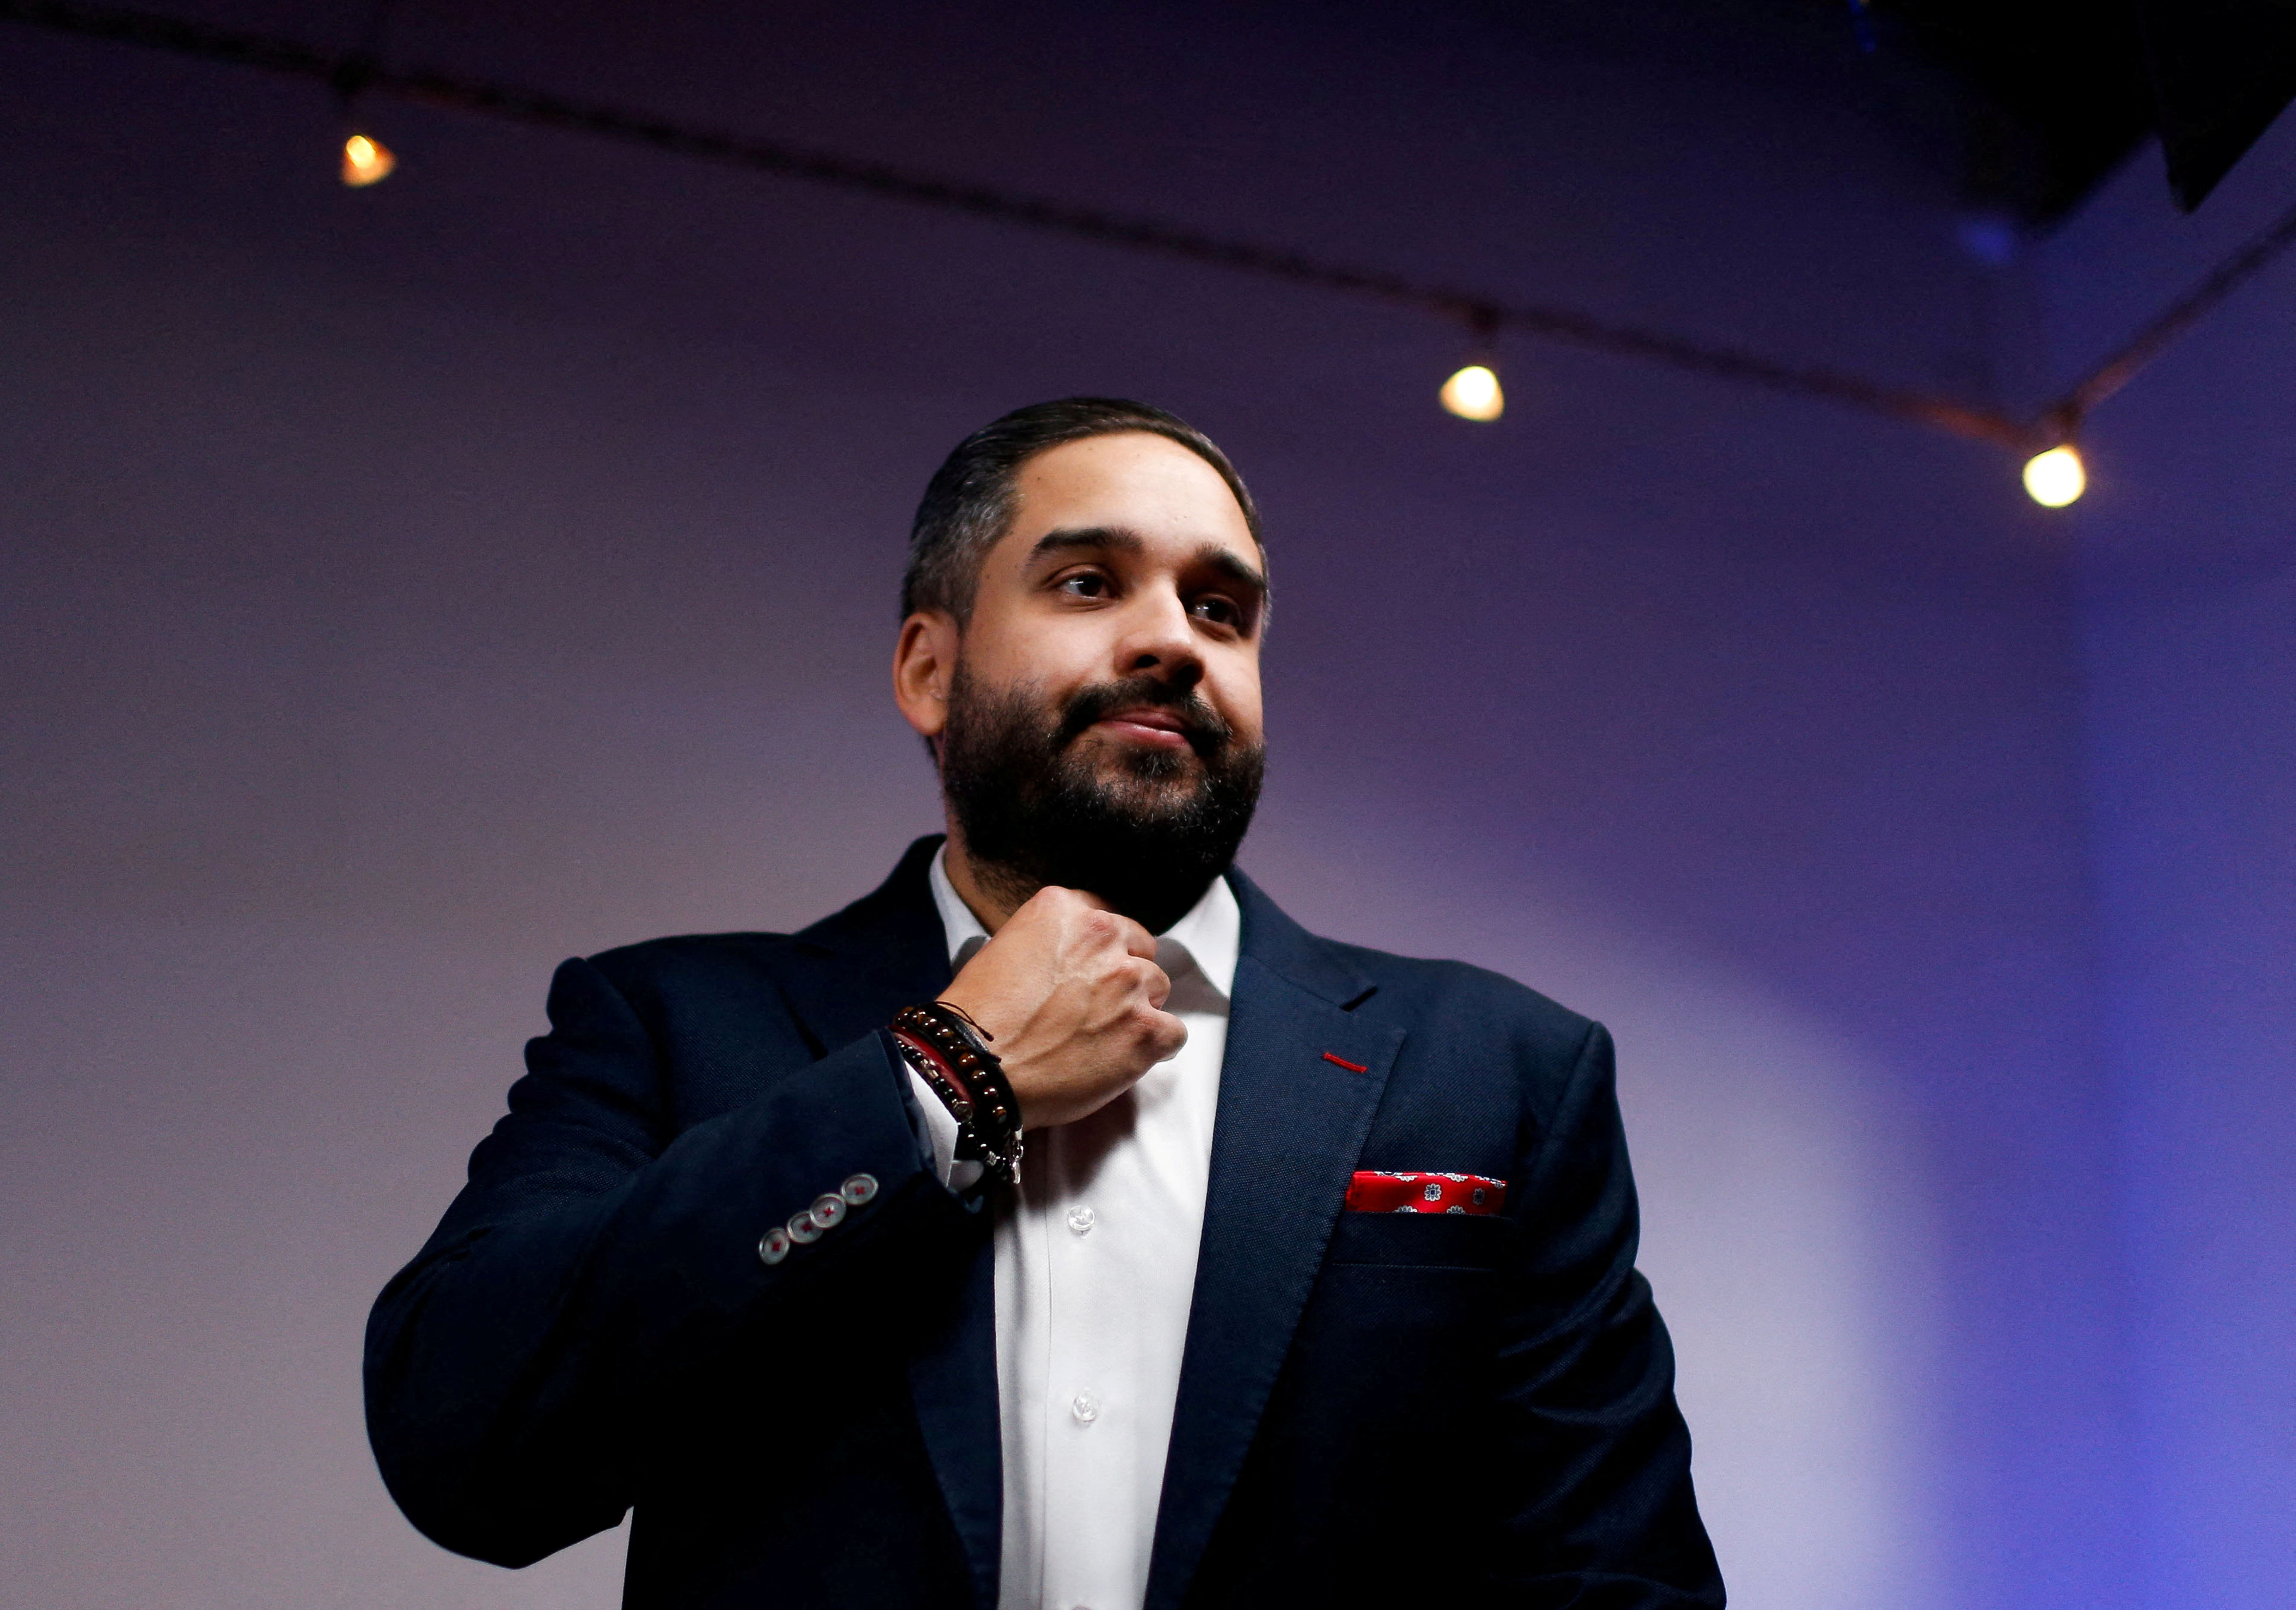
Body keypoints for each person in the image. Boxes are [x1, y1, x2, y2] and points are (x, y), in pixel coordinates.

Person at [364, 398, 1722, 1609]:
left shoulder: (1498, 1073)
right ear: (928, 672)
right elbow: (466, 1445)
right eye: (1088, 583)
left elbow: (1617, 1579)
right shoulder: (671, 1022)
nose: (1171, 643)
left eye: (1221, 609)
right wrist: (944, 1080)